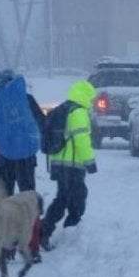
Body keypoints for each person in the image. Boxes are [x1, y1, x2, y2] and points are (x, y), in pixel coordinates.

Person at [0, 68, 46, 262]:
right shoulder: (26, 100)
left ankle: (6, 249)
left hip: (1, 159)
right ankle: (32, 247)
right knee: (29, 203)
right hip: (26, 159)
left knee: (4, 203)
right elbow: (42, 122)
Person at [40, 80, 97, 251]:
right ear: (85, 95)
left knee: (63, 198)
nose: (92, 101)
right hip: (72, 165)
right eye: (91, 97)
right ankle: (67, 234)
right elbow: (81, 140)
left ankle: (49, 231)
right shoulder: (78, 112)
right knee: (77, 198)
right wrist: (90, 162)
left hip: (59, 163)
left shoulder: (64, 108)